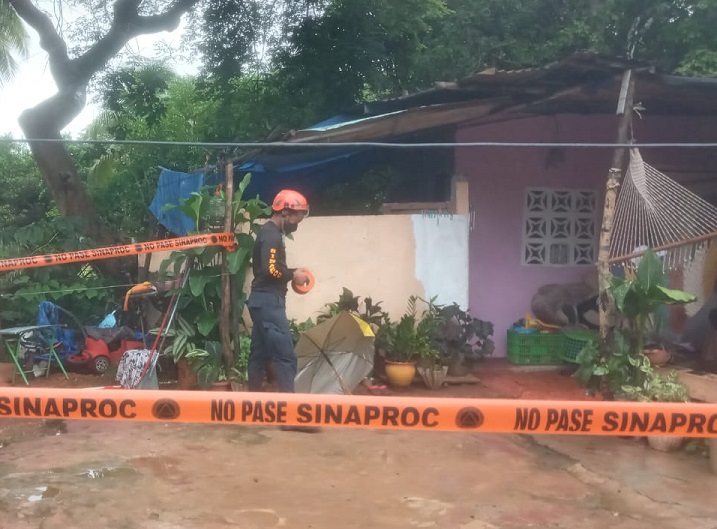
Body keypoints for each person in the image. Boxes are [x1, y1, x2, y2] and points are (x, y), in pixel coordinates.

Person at [247, 189, 311, 394]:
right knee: (285, 357)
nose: (296, 224)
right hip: (268, 304)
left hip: (260, 302)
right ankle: (290, 414)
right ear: (285, 212)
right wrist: (294, 275)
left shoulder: (270, 233)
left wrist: (291, 273)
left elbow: (271, 268)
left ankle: (252, 405)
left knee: (259, 355)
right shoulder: (272, 235)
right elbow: (270, 270)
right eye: (296, 219)